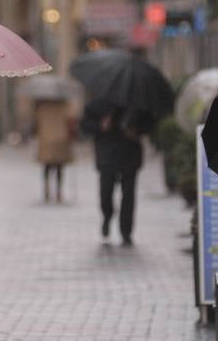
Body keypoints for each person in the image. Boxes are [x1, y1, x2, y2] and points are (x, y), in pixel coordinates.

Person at [80, 101, 149, 244]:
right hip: (107, 153)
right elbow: (85, 125)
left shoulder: (136, 102)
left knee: (128, 195)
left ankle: (126, 232)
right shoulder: (98, 102)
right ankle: (107, 215)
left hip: (130, 154)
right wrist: (100, 126)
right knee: (106, 192)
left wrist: (136, 130)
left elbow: (150, 123)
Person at [34, 98, 74, 203]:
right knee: (59, 167)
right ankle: (58, 192)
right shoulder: (64, 106)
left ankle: (47, 190)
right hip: (60, 139)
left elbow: (37, 123)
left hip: (46, 139)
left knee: (47, 166)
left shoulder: (41, 107)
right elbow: (70, 120)